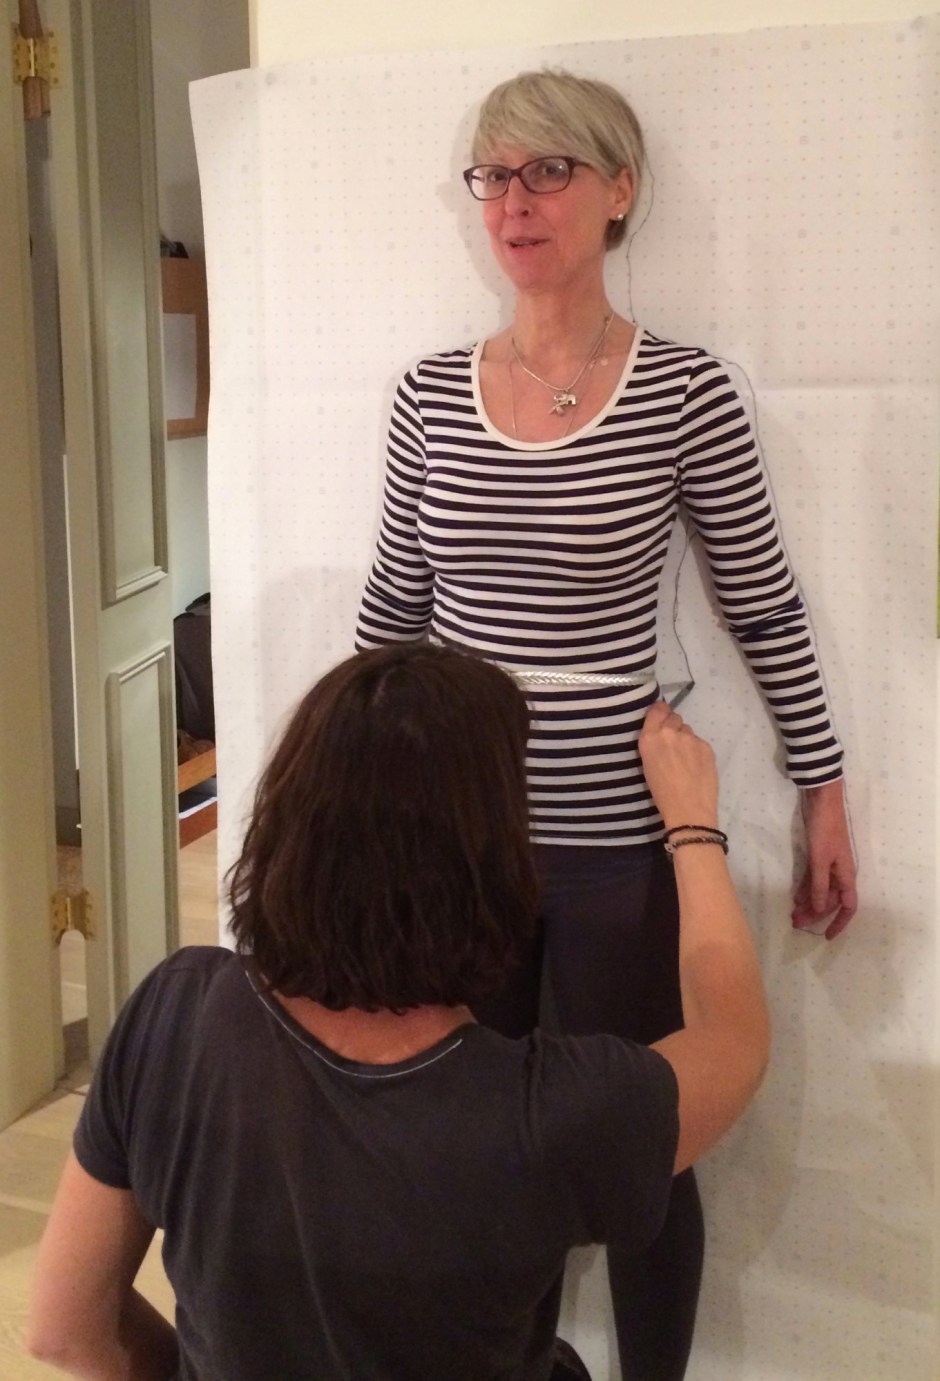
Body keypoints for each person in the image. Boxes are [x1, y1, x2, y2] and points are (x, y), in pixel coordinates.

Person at [354, 69, 856, 1379]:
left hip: (622, 844)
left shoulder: (683, 391)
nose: (513, 203)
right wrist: (349, 813)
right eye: (493, 176)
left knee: (641, 1145)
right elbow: (391, 620)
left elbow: (763, 600)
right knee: (464, 1141)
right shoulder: (428, 395)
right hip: (454, 838)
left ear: (618, 191)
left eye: (549, 172)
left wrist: (823, 787)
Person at [28, 643, 769, 1381]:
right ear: (494, 859)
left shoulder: (174, 1012)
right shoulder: (555, 1114)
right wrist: (692, 826)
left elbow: (63, 1330)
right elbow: (735, 1038)